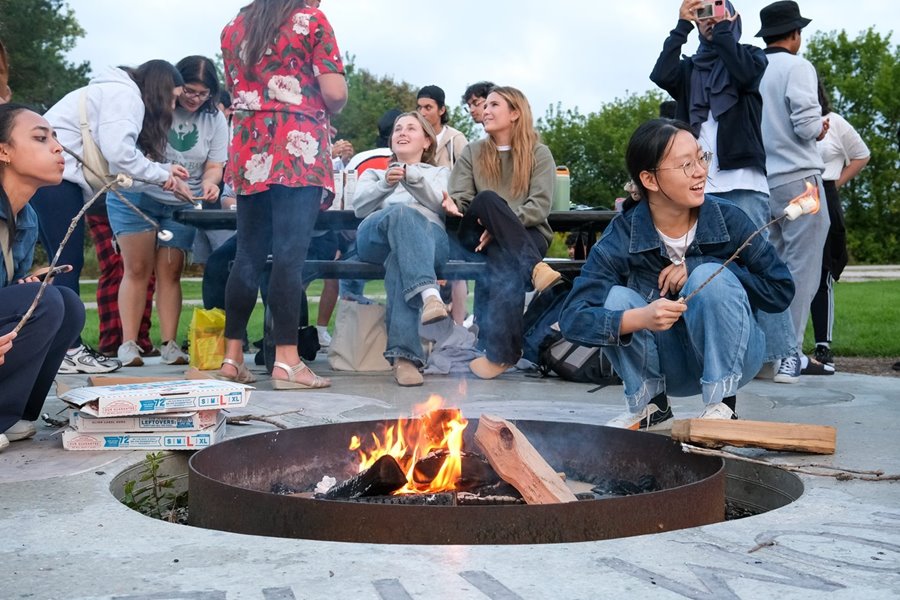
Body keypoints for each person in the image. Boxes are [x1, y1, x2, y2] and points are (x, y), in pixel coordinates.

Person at [559, 119, 794, 430]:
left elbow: (780, 291)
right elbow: (572, 318)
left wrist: (700, 266)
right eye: (686, 164)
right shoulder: (622, 236)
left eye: (701, 158)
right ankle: (650, 407)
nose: (700, 171)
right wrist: (639, 318)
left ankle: (722, 407)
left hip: (737, 355)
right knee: (617, 298)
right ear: (650, 179)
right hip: (666, 362)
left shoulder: (730, 220)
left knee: (711, 274)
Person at [31, 59, 192, 373]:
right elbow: (119, 156)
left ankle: (59, 346)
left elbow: (113, 154)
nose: (172, 106)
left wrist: (162, 171)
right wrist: (164, 177)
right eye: (172, 98)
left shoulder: (113, 91)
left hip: (52, 177)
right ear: (158, 90)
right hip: (53, 177)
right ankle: (68, 348)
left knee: (59, 262)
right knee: (66, 263)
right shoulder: (125, 96)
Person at [218, 0, 347, 389]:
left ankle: (231, 359)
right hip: (296, 145)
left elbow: (236, 89)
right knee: (290, 257)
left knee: (248, 254)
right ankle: (287, 362)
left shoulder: (235, 25)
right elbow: (335, 92)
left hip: (248, 143)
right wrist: (329, 103)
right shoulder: (311, 21)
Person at [109, 56, 226, 367]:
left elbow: (214, 165)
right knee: (136, 268)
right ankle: (129, 344)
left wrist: (212, 184)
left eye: (203, 94)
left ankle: (170, 345)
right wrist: (164, 177)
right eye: (188, 90)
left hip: (181, 205)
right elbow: (128, 152)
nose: (193, 98)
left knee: (171, 271)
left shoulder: (215, 119)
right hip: (136, 196)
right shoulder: (154, 105)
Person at [444, 86, 560, 379]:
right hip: (476, 233)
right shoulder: (473, 151)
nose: (486, 111)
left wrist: (501, 228)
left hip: (527, 234)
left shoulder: (539, 153)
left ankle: (501, 355)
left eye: (494, 105)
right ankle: (536, 270)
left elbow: (539, 206)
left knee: (505, 257)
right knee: (487, 200)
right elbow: (463, 198)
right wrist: (455, 205)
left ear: (515, 113)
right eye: (485, 106)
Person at [0, 104, 85, 450]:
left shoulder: (28, 219)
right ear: (4, 151)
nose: (57, 147)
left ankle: (16, 414)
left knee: (67, 303)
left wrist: (21, 289)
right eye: (40, 138)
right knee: (48, 302)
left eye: (55, 138)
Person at [756, 0, 831, 383]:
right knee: (803, 271)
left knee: (771, 271)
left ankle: (767, 357)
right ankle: (789, 354)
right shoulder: (798, 66)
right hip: (801, 181)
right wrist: (820, 127)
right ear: (795, 34)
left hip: (761, 182)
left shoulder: (753, 68)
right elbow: (805, 126)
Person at [650, 0, 770, 230]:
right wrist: (682, 25)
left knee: (752, 259)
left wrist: (723, 31)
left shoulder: (752, 56)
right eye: (702, 14)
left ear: (732, 18)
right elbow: (662, 74)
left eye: (716, 11)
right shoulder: (691, 68)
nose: (710, 19)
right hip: (697, 184)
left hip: (744, 183)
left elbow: (745, 75)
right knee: (705, 262)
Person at [354, 112, 451, 386]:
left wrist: (412, 179)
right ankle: (431, 295)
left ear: (427, 142)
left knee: (401, 257)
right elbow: (360, 208)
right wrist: (386, 183)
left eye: (411, 128)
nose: (402, 132)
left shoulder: (441, 173)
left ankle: (404, 359)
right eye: (398, 129)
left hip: (430, 242)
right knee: (401, 215)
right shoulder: (373, 173)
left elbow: (439, 206)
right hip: (376, 239)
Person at [809, 80, 870, 371]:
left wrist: (834, 185)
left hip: (826, 191)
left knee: (823, 272)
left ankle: (823, 346)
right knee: (792, 271)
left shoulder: (834, 123)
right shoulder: (782, 122)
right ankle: (786, 347)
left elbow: (862, 155)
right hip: (793, 194)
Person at [416, 85, 468, 169]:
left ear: (442, 110)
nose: (422, 113)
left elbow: (468, 174)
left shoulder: (455, 139)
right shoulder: (414, 138)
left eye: (428, 108)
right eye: (419, 107)